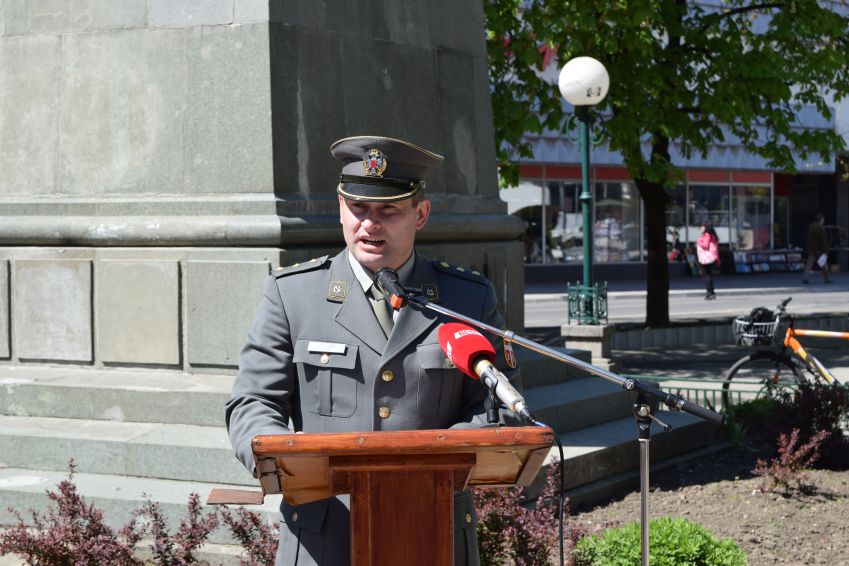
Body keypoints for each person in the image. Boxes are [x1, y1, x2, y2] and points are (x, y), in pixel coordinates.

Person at [225, 136, 521, 566]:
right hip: (324, 536)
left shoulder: (466, 299)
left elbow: (500, 407)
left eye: (388, 210)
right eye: (358, 208)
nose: (369, 224)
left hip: (434, 527)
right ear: (340, 208)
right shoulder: (292, 295)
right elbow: (252, 401)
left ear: (421, 214)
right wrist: (283, 457)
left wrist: (437, 463)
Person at [802, 212, 830, 284]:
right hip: (819, 250)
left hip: (812, 249)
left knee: (809, 265)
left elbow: (809, 238)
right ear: (821, 220)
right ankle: (826, 279)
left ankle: (805, 278)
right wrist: (825, 251)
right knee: (823, 264)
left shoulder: (811, 227)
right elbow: (824, 241)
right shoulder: (821, 228)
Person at [696, 222, 720, 300]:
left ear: (706, 227)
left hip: (705, 259)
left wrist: (699, 242)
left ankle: (710, 293)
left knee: (706, 275)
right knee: (709, 275)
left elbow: (706, 246)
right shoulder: (713, 236)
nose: (701, 228)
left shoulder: (707, 235)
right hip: (712, 258)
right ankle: (712, 292)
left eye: (702, 226)